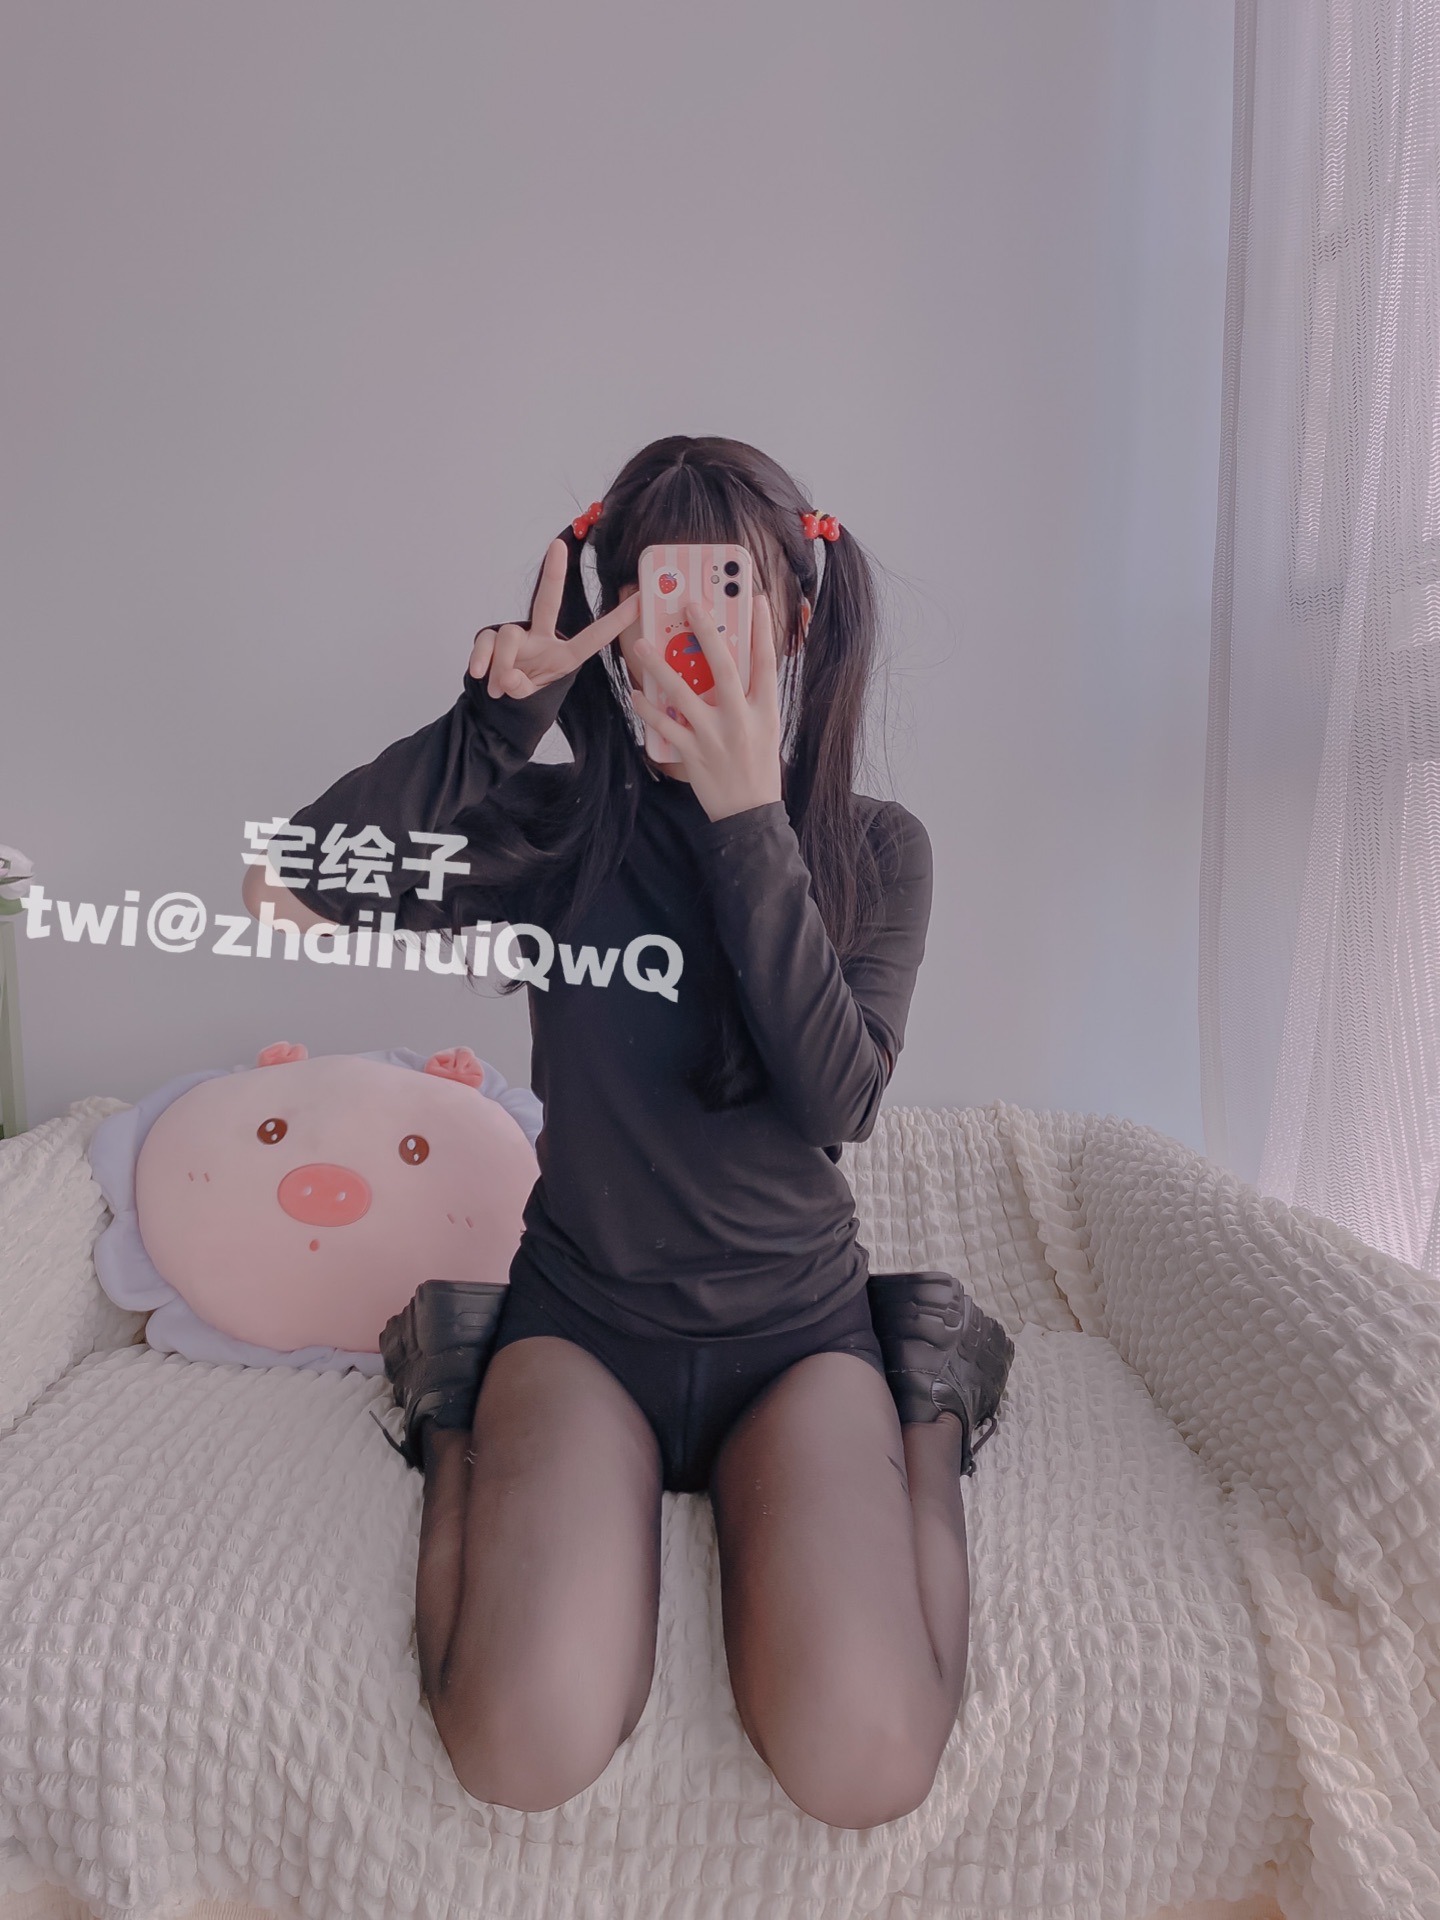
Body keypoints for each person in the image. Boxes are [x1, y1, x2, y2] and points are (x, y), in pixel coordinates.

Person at [241, 434, 1015, 1830]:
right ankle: (452, 1388)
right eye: (661, 595)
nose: (692, 635)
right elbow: (280, 885)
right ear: (615, 622)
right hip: (583, 1328)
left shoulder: (876, 847)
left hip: (800, 1338)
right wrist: (488, 730)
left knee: (868, 1764)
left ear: (795, 621)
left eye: (733, 593)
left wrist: (747, 820)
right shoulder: (560, 831)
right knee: (515, 1746)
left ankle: (932, 1396)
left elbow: (838, 1102)